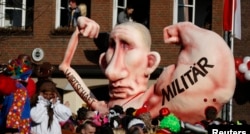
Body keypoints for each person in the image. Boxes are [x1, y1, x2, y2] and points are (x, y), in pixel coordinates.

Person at [59, 16, 236, 124]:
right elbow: (65, 68)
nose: (111, 72)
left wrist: (184, 30)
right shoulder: (102, 108)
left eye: (127, 46)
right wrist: (77, 32)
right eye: (112, 46)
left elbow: (215, 59)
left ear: (150, 63)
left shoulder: (154, 103)